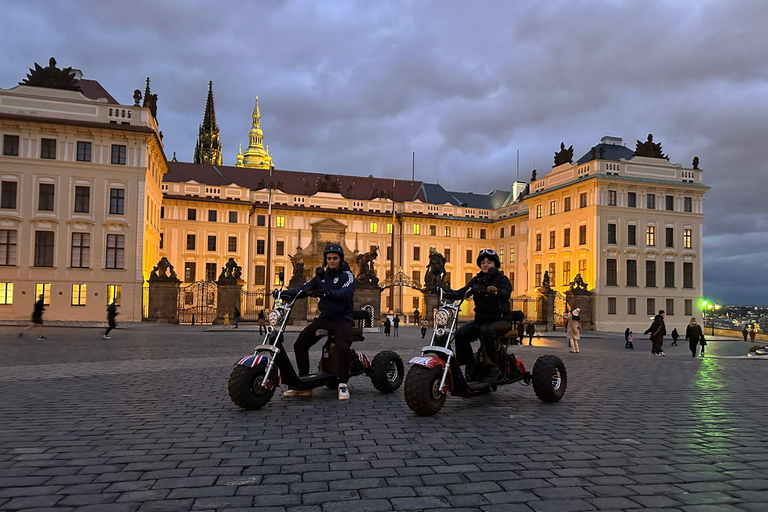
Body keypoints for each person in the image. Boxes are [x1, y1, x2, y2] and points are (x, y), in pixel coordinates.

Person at [278, 243, 356, 400]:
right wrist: (284, 294)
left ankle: (342, 384)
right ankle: (304, 383)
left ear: (341, 259)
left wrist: (328, 293)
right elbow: (304, 288)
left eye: (335, 258)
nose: (332, 261)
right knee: (300, 344)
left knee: (342, 346)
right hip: (325, 319)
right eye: (329, 258)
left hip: (342, 319)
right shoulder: (321, 277)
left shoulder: (347, 275)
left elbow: (346, 292)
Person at [450, 248, 515, 383]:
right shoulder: (477, 279)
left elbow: (506, 293)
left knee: (485, 331)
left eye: (489, 262)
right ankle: (471, 366)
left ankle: (492, 368)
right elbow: (462, 292)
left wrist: (496, 290)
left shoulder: (502, 278)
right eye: (483, 262)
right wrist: (445, 292)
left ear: (495, 264)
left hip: (501, 320)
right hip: (481, 320)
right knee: (460, 334)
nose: (485, 264)